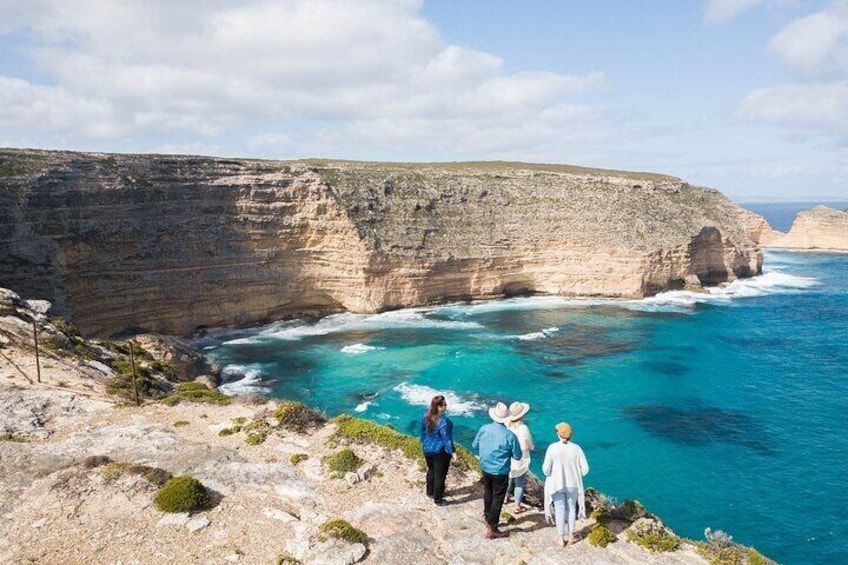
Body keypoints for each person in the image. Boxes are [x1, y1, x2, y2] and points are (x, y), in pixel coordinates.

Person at [472, 402, 522, 539]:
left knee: (488, 492)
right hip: (500, 471)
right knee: (498, 497)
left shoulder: (484, 428)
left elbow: (474, 445)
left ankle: (487, 516)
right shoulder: (510, 435)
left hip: (485, 467)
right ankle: (492, 527)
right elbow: (518, 456)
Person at [542, 422, 589, 547]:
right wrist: (575, 471)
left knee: (559, 509)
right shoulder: (577, 449)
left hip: (556, 483)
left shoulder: (552, 448)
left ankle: (560, 537)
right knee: (572, 509)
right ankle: (572, 535)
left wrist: (553, 472)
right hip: (573, 483)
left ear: (558, 434)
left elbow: (546, 469)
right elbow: (585, 469)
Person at [420, 395, 456, 506]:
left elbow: (422, 431)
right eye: (445, 404)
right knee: (440, 475)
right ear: (439, 407)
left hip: (427, 448)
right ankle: (438, 499)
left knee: (431, 471)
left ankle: (430, 492)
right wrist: (452, 452)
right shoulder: (444, 422)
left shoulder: (425, 415)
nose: (446, 406)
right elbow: (447, 439)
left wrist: (424, 442)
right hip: (440, 451)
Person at [506, 401, 534, 513]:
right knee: (520, 482)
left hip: (509, 455)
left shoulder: (506, 425)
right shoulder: (523, 428)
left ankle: (505, 497)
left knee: (509, 477)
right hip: (521, 457)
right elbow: (528, 442)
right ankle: (517, 505)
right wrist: (531, 447)